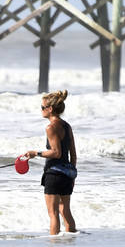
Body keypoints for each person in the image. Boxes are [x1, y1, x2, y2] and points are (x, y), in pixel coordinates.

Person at [24, 89, 77, 235]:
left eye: (42, 107)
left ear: (50, 109)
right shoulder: (67, 126)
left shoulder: (50, 127)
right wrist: (72, 175)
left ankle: (54, 246)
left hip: (54, 174)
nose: (41, 110)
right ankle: (71, 241)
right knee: (65, 210)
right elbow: (73, 154)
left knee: (53, 214)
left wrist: (36, 153)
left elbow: (56, 152)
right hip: (67, 173)